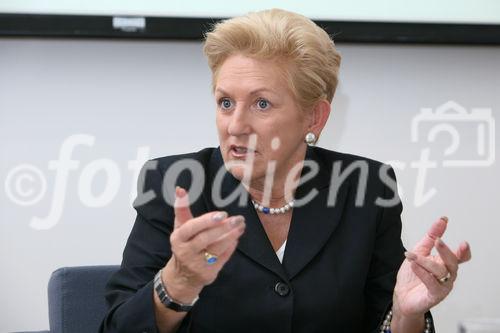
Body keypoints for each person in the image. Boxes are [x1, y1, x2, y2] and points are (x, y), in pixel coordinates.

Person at [99, 8, 471, 333]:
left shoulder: (367, 188)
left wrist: (406, 316)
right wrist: (177, 283)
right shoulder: (175, 184)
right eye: (225, 102)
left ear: (314, 116)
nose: (235, 125)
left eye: (261, 103)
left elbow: (385, 319)